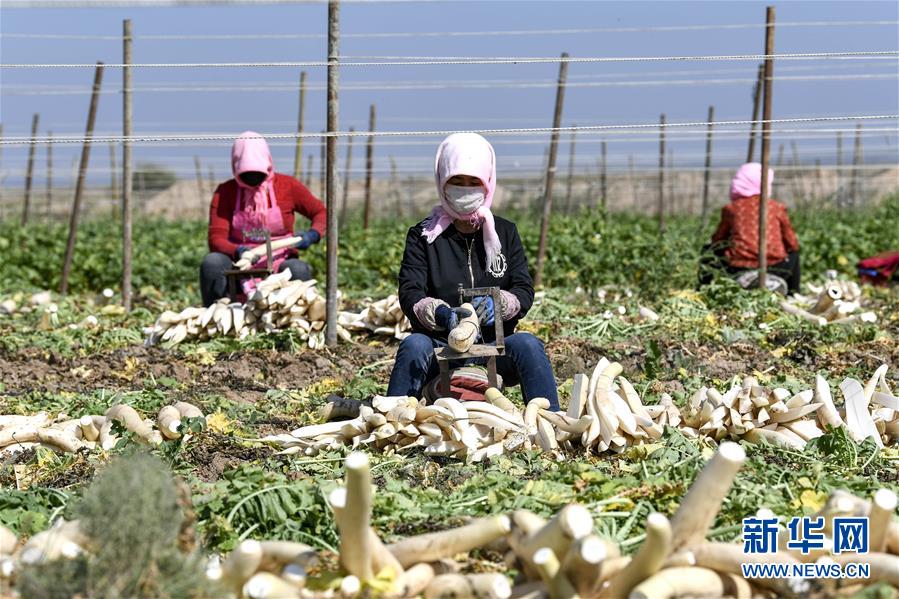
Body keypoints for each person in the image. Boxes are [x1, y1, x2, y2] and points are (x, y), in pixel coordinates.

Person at [387, 132, 560, 410]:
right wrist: (442, 314)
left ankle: (551, 420)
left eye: (474, 182)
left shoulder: (505, 232)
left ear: (487, 183)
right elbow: (410, 292)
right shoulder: (423, 236)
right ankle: (392, 418)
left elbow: (523, 289)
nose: (465, 190)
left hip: (494, 344)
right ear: (443, 182)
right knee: (414, 345)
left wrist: (499, 304)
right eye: (457, 181)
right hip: (440, 344)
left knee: (528, 345)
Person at [200, 132, 326, 306]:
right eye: (246, 173)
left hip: (280, 258)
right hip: (240, 261)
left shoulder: (287, 186)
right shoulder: (225, 192)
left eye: (258, 173)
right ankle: (217, 311)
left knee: (298, 269)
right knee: (212, 263)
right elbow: (216, 238)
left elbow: (321, 212)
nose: (253, 179)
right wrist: (239, 251)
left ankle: (295, 316)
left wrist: (313, 234)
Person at [700, 162, 801, 294]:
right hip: (775, 267)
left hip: (738, 268)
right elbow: (792, 243)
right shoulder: (776, 207)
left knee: (708, 251)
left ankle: (703, 290)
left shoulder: (732, 209)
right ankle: (793, 293)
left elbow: (718, 241)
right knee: (794, 254)